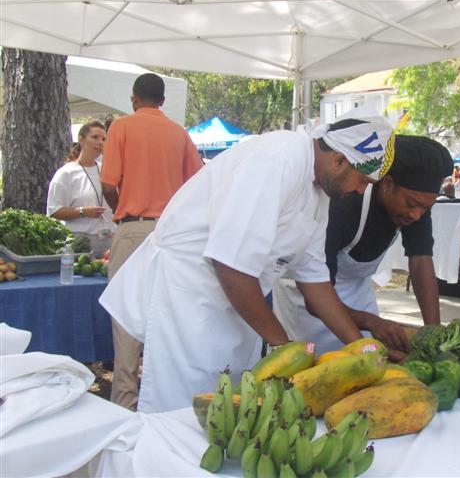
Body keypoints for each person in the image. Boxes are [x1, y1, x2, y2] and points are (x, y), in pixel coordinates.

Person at [99, 108, 395, 413]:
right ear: (340, 160)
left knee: (232, 403)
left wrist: (360, 350)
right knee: (186, 411)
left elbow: (315, 280)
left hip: (233, 302)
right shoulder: (279, 158)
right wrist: (285, 348)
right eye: (362, 181)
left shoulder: (320, 192)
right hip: (189, 294)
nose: (360, 191)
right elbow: (231, 264)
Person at [272, 135, 452, 359]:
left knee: (369, 364)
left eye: (426, 208)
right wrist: (370, 322)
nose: (417, 214)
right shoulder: (345, 204)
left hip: (358, 295)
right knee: (317, 368)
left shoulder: (416, 205)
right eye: (413, 204)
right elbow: (315, 295)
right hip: (307, 303)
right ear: (387, 184)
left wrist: (433, 335)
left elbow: (420, 260)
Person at [100, 73, 204, 410]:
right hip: (172, 235)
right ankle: (166, 399)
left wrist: (123, 214)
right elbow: (197, 185)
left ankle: (126, 400)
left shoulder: (122, 127)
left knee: (125, 314)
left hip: (134, 227)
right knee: (168, 313)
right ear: (162, 100)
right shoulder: (178, 132)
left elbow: (108, 184)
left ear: (134, 98)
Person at [47, 120, 116, 256]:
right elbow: (54, 211)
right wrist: (82, 212)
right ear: (81, 140)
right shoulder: (66, 173)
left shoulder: (108, 171)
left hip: (109, 242)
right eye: (95, 137)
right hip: (80, 244)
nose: (100, 142)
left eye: (104, 139)